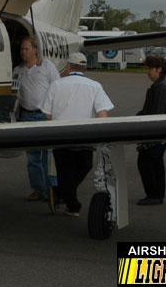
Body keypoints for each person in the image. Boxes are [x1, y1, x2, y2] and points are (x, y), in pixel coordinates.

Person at [39, 52, 114, 217]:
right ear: (84, 68)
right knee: (84, 166)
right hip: (85, 136)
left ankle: (62, 195)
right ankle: (72, 205)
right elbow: (102, 113)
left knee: (65, 172)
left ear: (68, 67)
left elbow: (46, 113)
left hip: (61, 136)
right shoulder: (95, 86)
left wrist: (57, 120)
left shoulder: (57, 84)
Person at [13, 36, 60, 202]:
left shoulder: (47, 66)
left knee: (48, 155)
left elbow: (57, 88)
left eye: (26, 49)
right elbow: (15, 94)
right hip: (27, 115)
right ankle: (38, 189)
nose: (23, 52)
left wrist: (55, 113)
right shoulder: (17, 70)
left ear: (35, 50)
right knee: (32, 156)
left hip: (45, 115)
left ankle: (52, 189)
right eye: (22, 49)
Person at [136, 55, 166, 206]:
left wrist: (150, 140)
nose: (147, 72)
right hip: (161, 135)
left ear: (159, 69)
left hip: (157, 135)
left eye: (149, 69)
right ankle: (157, 195)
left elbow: (157, 113)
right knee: (156, 164)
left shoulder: (161, 87)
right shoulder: (160, 85)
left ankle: (154, 195)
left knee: (146, 163)